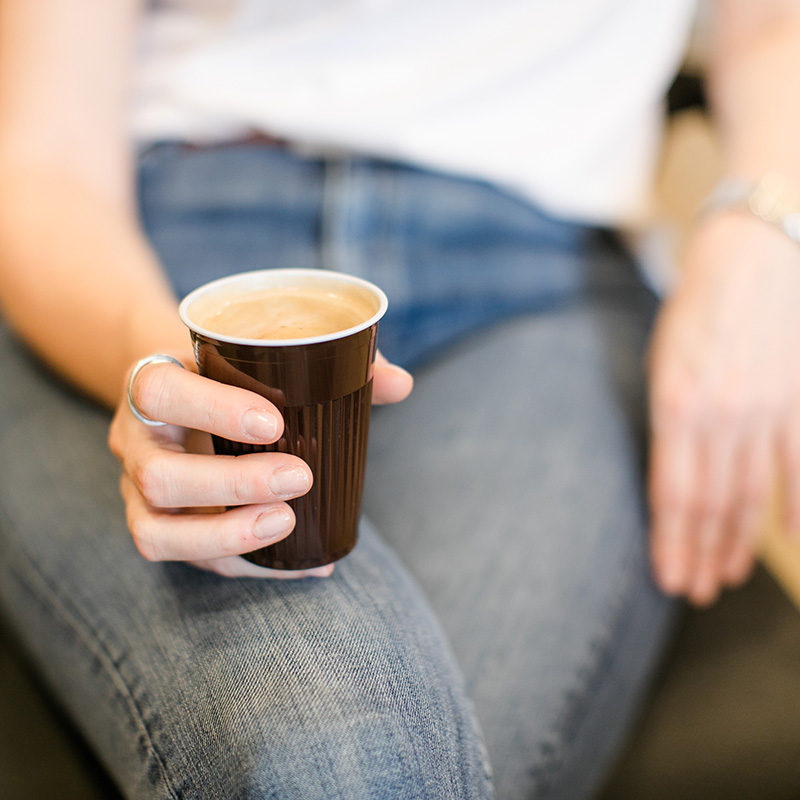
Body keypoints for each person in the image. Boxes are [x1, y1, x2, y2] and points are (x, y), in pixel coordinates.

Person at [0, 0, 799, 797]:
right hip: (150, 262)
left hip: (535, 285)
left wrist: (766, 227)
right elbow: (42, 157)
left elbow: (770, 26)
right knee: (345, 759)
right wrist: (161, 367)